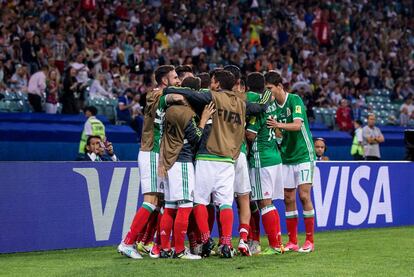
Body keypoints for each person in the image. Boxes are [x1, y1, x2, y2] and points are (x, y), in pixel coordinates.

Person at [164, 69, 268, 258]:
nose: (211, 84)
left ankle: (205, 239)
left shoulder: (214, 97)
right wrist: (268, 94)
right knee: (225, 203)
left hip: (207, 155)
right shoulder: (241, 103)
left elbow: (191, 93)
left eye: (212, 81)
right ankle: (227, 243)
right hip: (229, 160)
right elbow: (260, 108)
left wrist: (168, 91)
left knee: (200, 202)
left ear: (217, 84)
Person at [118, 65, 180, 260]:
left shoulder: (162, 96)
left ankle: (148, 243)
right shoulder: (154, 95)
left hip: (158, 154)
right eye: (175, 77)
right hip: (151, 152)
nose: (177, 80)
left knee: (160, 201)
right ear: (164, 81)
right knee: (151, 200)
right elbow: (170, 97)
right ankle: (127, 243)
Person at [266, 71, 316, 253]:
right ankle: (293, 241)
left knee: (303, 196)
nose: (268, 93)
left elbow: (297, 125)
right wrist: (277, 135)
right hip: (286, 157)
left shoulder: (294, 100)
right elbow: (278, 134)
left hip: (304, 154)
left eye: (270, 89)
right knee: (288, 198)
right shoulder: (272, 107)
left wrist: (278, 126)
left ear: (279, 86)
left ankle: (310, 241)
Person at [158, 100, 215, 260]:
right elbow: (196, 138)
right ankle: (179, 250)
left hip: (169, 162)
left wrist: (162, 161)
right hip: (182, 160)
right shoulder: (185, 113)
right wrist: (203, 120)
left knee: (169, 207)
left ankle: (165, 249)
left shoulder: (166, 112)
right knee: (185, 206)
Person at [245, 71, 285, 255]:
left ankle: (274, 246)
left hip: (262, 159)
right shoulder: (269, 105)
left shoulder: (257, 108)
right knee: (269, 203)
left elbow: (250, 134)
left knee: (264, 203)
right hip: (274, 157)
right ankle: (278, 242)